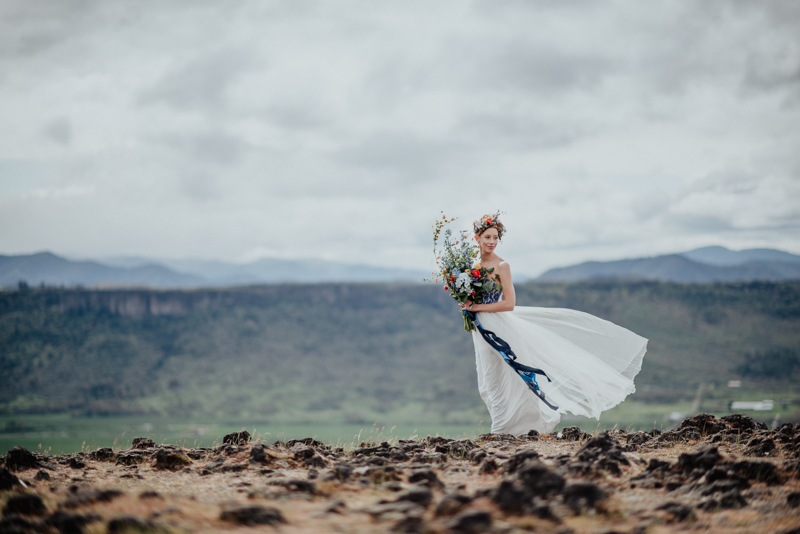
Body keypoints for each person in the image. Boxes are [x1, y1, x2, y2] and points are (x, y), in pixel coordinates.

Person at [458, 214, 647, 435]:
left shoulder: (502, 265)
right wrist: (467, 303)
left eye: (495, 237)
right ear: (476, 238)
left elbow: (509, 304)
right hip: (479, 329)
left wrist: (477, 308)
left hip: (497, 327)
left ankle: (500, 431)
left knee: (500, 377)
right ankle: (508, 427)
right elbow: (470, 298)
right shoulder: (472, 267)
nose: (491, 241)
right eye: (487, 237)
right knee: (486, 384)